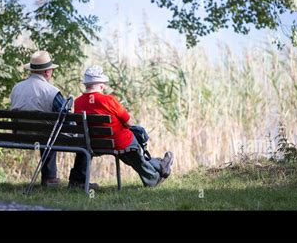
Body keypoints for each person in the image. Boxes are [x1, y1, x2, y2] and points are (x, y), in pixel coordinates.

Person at [71, 65, 174, 189]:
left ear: (86, 84)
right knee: (134, 145)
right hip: (118, 142)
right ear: (101, 85)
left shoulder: (77, 102)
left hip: (91, 144)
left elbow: (79, 125)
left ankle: (161, 165)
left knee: (131, 151)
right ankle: (155, 173)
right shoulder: (109, 100)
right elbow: (129, 123)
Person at [10, 50, 66, 187]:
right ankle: (50, 178)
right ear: (47, 72)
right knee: (52, 133)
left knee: (47, 132)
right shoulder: (52, 91)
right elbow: (65, 117)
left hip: (20, 135)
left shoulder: (16, 88)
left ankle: (50, 178)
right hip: (45, 136)